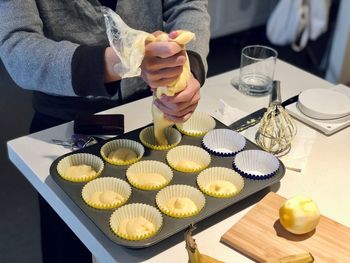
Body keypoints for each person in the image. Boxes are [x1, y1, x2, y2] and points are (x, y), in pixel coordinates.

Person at [0, 0, 210, 262]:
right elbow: (17, 47)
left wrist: (187, 67)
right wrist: (123, 60)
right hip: (64, 118)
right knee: (68, 246)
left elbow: (187, 6)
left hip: (150, 107)